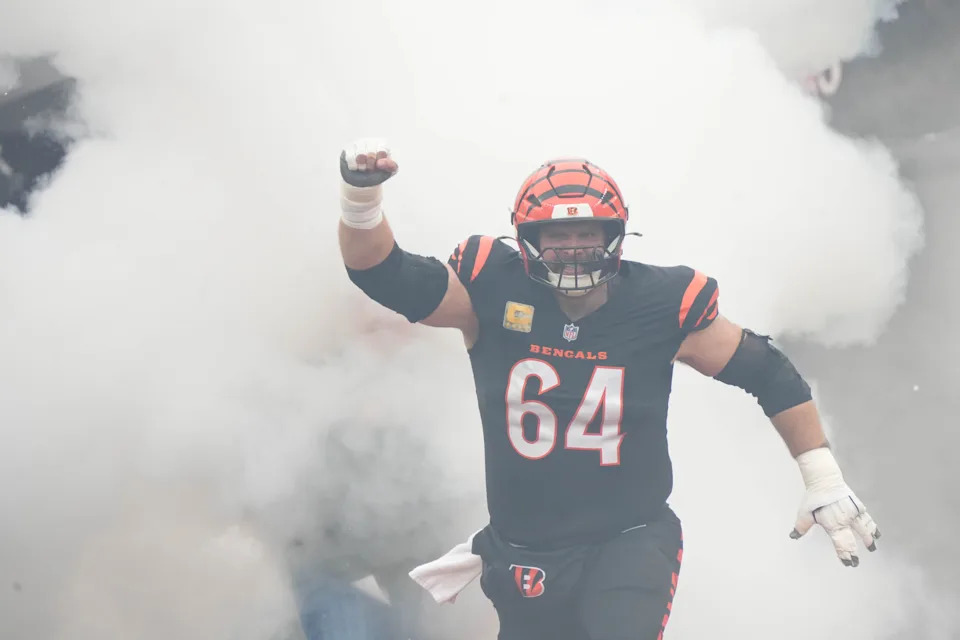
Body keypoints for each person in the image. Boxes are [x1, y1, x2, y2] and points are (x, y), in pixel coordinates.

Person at [337, 138, 881, 639]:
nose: (573, 249)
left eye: (586, 233)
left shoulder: (659, 304)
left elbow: (769, 371)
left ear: (614, 235)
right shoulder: (489, 289)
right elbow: (381, 272)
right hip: (524, 548)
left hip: (629, 537)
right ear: (527, 241)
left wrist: (822, 475)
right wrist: (361, 197)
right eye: (557, 235)